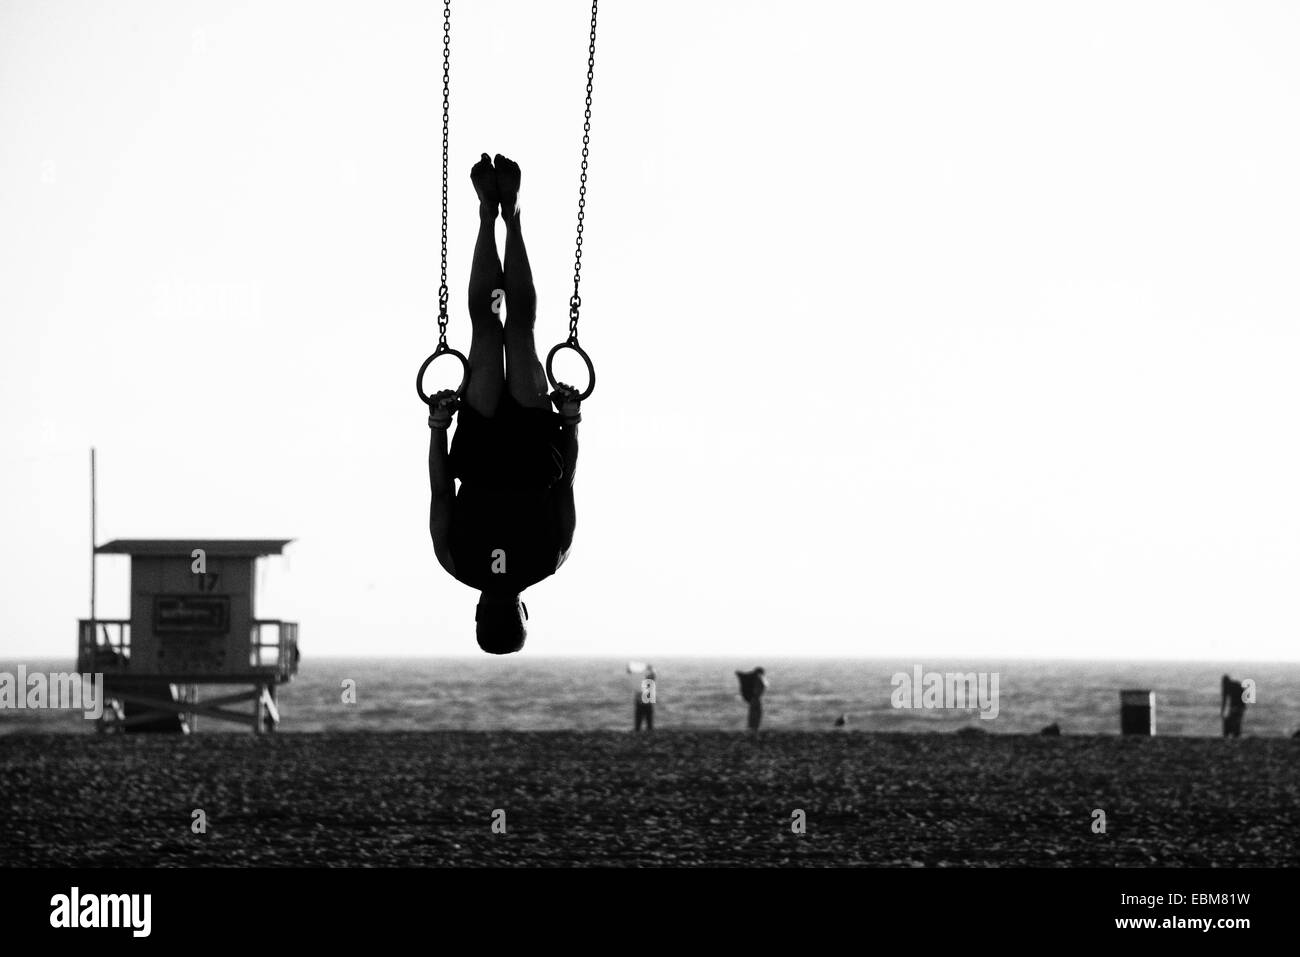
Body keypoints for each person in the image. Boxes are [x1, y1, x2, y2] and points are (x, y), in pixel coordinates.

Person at [427, 154, 583, 655]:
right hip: (479, 441)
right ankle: (488, 215)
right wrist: (436, 424)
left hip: (534, 442)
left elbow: (567, 483)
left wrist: (571, 420)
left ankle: (510, 215)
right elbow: (438, 487)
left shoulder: (550, 561)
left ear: (523, 614)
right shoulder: (453, 562)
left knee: (519, 328)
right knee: (487, 326)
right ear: (477, 614)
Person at [735, 667, 768, 733]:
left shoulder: (755, 678)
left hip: (753, 699)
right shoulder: (758, 679)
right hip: (755, 698)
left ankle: (751, 728)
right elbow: (759, 688)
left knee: (753, 713)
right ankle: (754, 728)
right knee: (756, 713)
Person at [634, 665, 656, 732]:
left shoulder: (646, 680)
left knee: (640, 722)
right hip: (645, 702)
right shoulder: (648, 680)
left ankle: (639, 732)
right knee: (647, 722)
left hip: (642, 702)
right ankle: (646, 731)